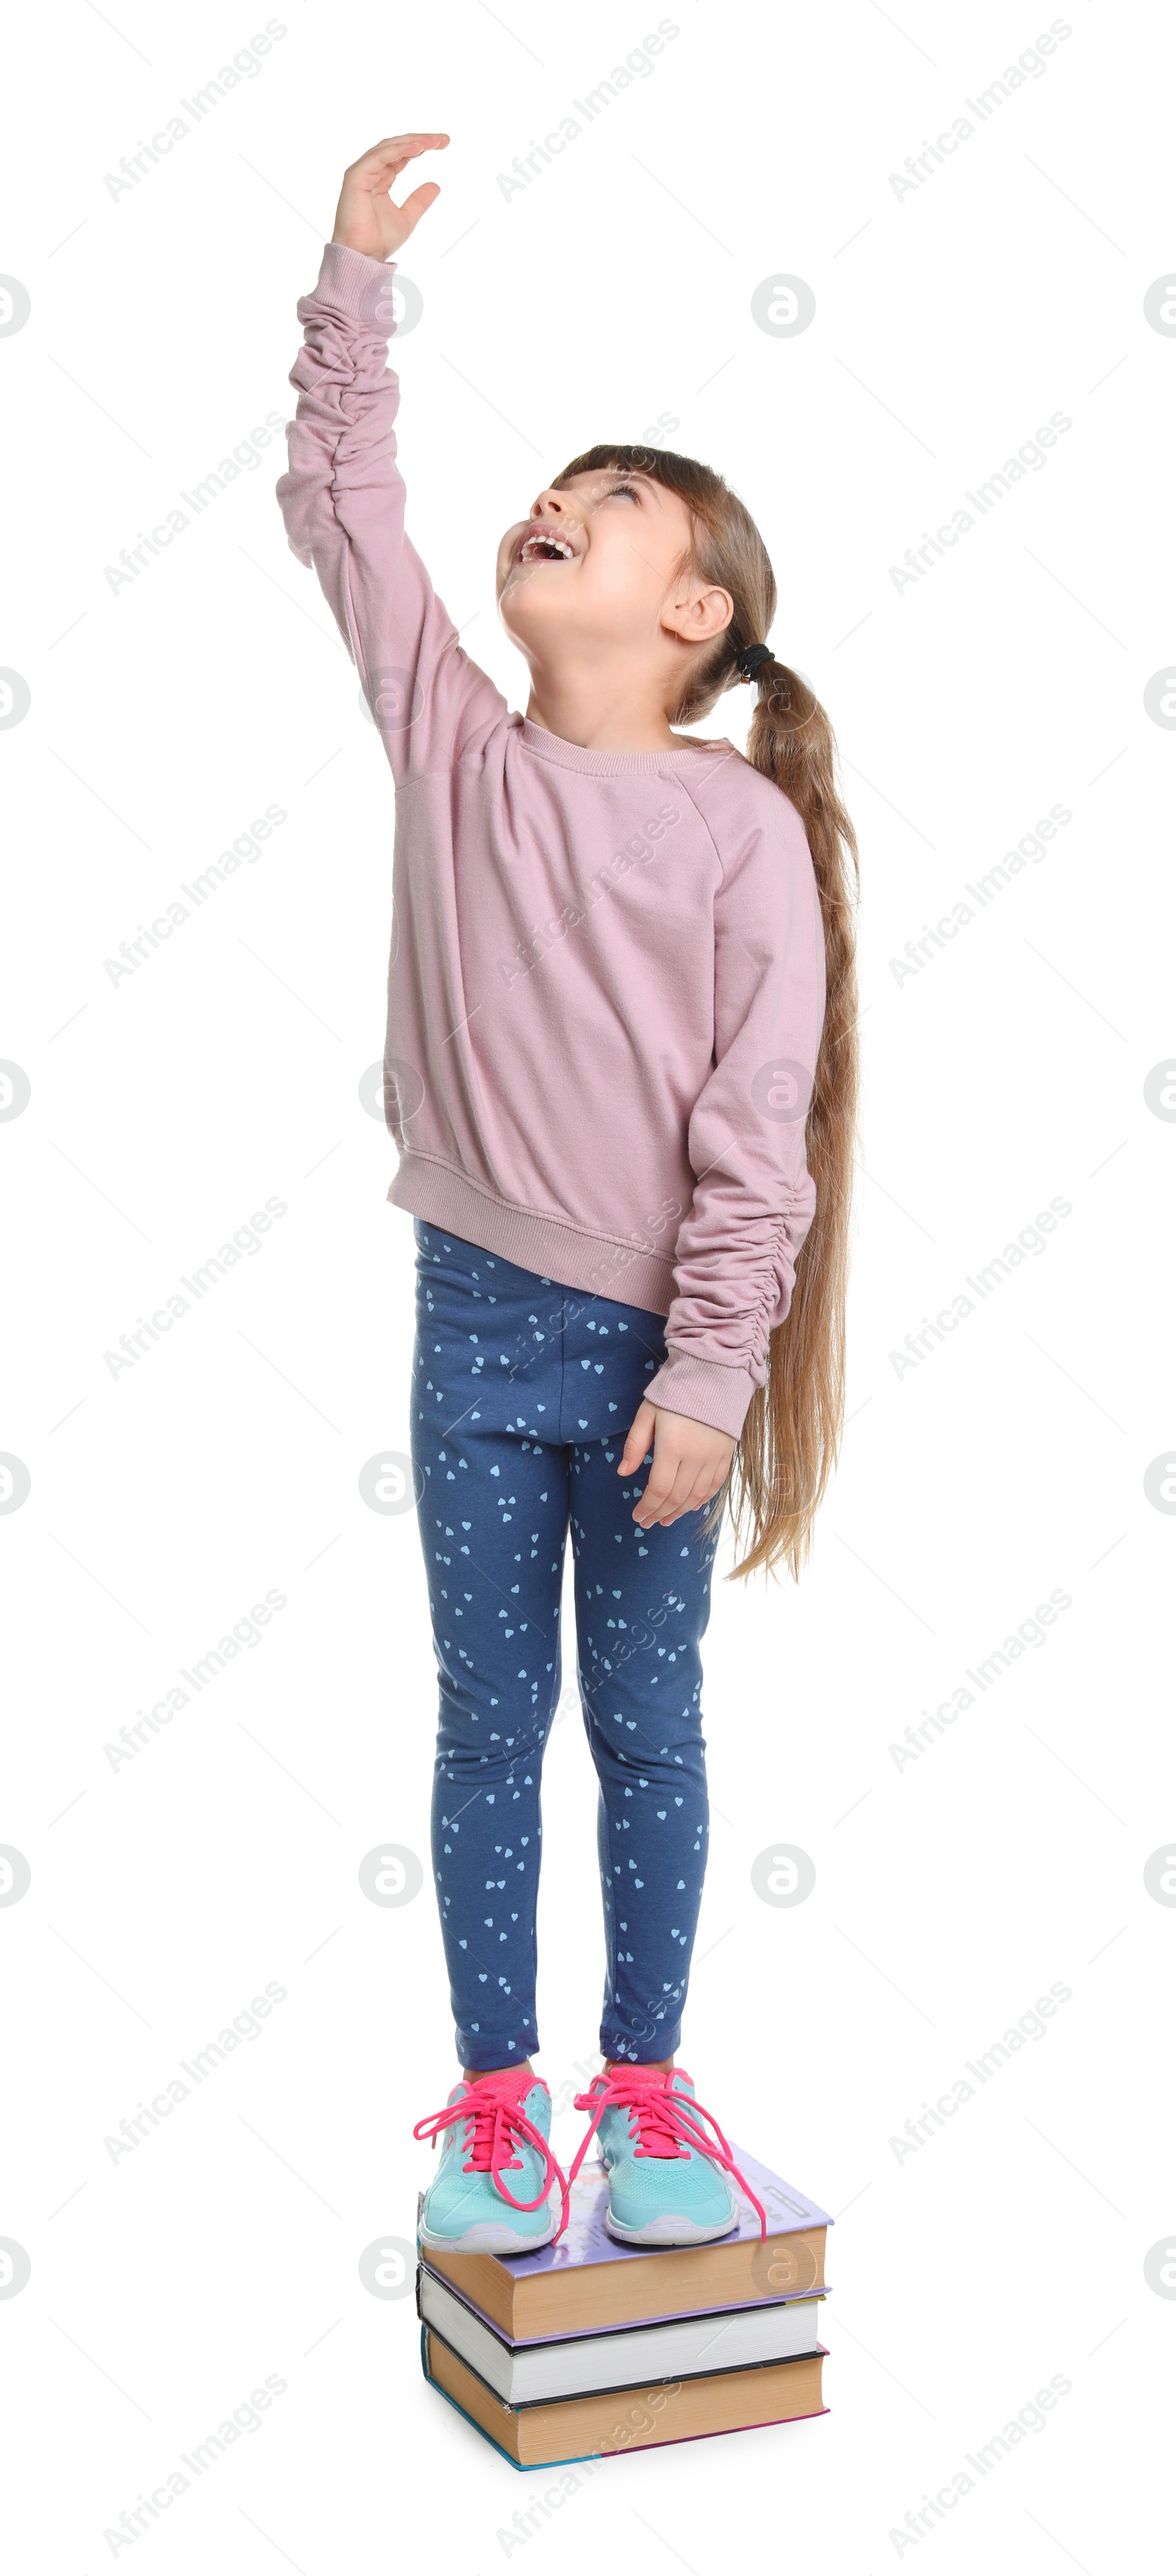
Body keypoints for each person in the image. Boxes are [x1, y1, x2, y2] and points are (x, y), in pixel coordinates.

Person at [276, 134, 858, 2253]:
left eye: (608, 508)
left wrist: (714, 1369)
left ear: (691, 613)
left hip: (652, 1363)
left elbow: (757, 1117)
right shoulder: (458, 748)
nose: (558, 506)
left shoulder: (735, 833)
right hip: (473, 1327)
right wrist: (352, 288)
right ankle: (501, 2102)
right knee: (485, 1721)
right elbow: (343, 516)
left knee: (648, 1718)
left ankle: (647, 2085)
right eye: (553, 492)